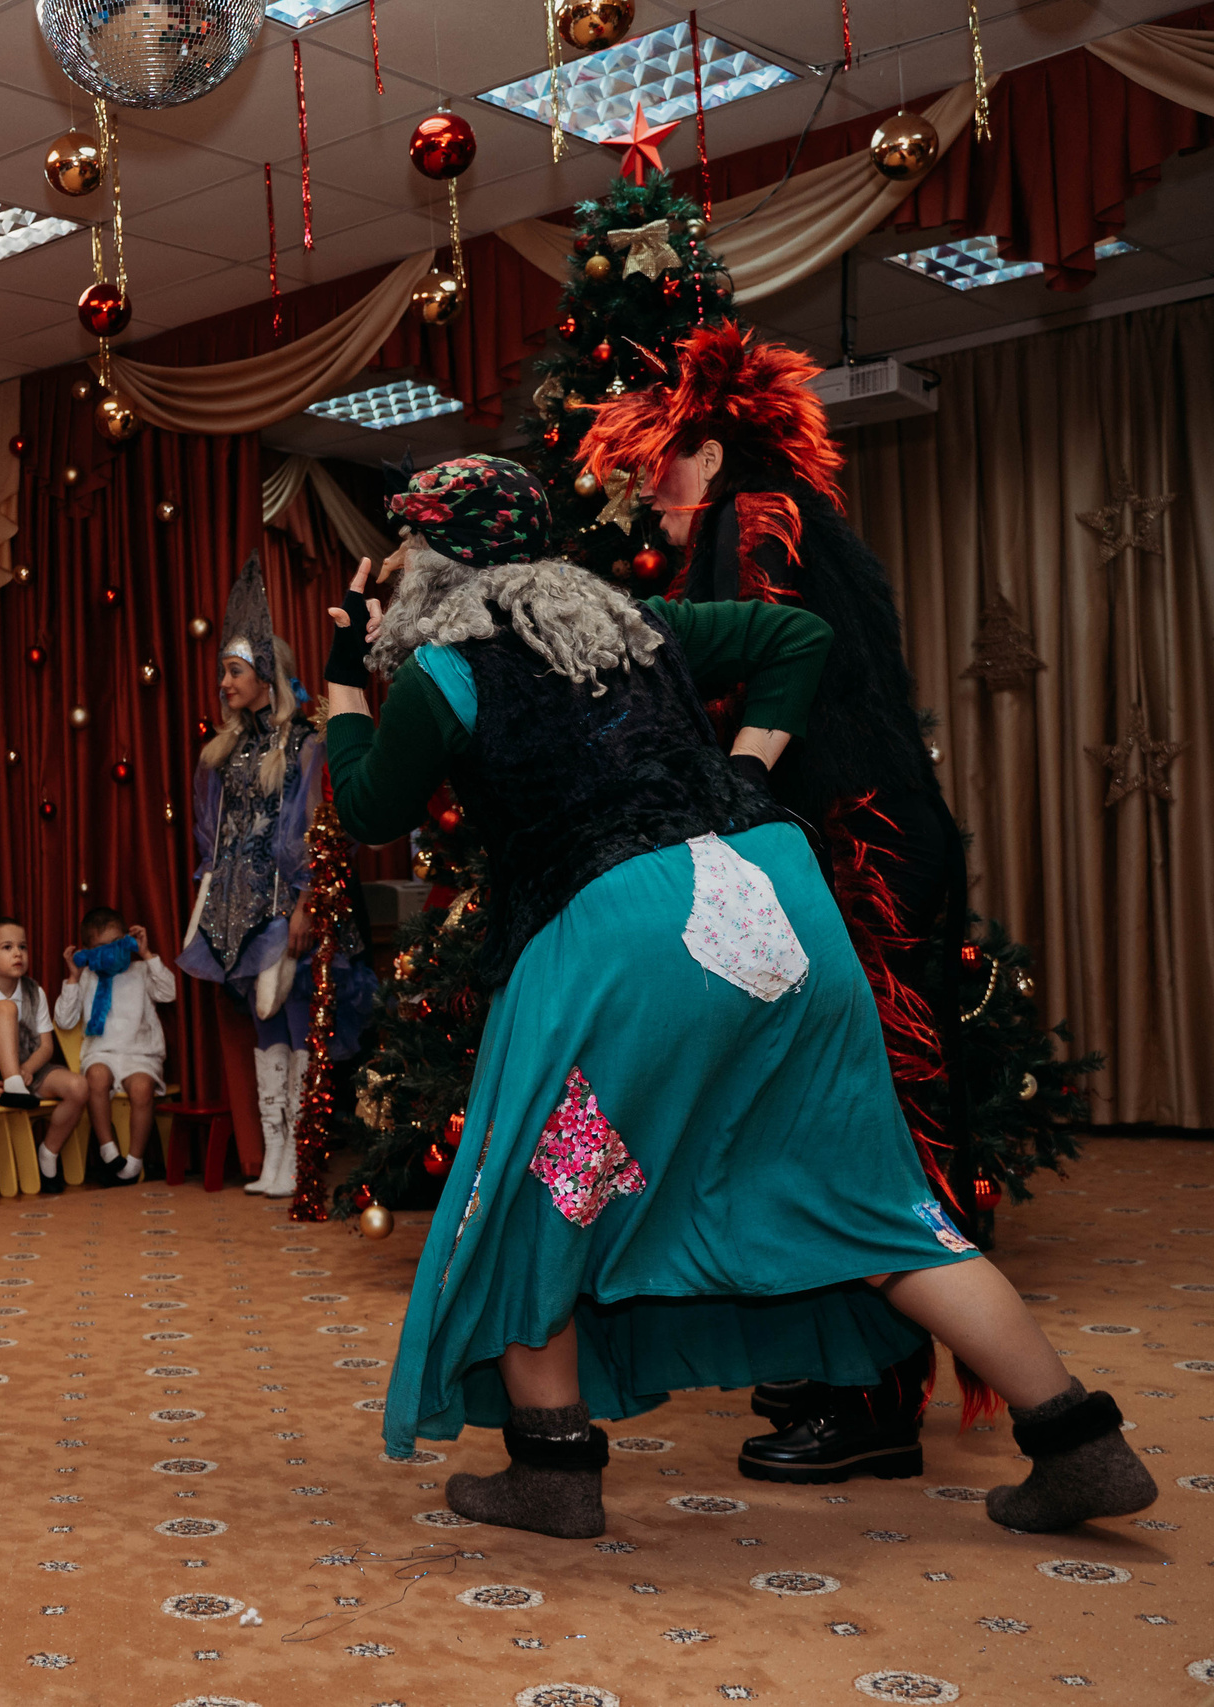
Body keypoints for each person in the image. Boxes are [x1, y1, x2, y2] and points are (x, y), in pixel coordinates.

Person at [319, 453, 1154, 1540]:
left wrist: (342, 673)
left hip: (620, 942)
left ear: (431, 562)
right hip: (770, 908)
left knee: (547, 1191)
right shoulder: (635, 623)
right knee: (864, 1194)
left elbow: (374, 804)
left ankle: (553, 1469)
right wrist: (747, 768)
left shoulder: (446, 670)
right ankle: (1076, 1442)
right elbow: (798, 636)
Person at [586, 323, 972, 1482]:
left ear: (697, 444)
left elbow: (784, 668)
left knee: (862, 1124)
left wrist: (733, 786)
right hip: (854, 858)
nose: (640, 507)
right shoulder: (776, 519)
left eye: (643, 473)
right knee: (825, 1122)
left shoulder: (758, 524)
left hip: (855, 867)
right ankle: (842, 1381)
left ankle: (874, 1399)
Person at [176, 555, 326, 1198]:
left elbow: (312, 829)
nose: (223, 684)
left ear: (266, 674)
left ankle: (299, 1154)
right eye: (221, 673)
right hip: (235, 907)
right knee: (262, 1022)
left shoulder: (303, 743)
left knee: (291, 1016)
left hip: (280, 906)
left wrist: (306, 903)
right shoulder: (226, 748)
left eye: (233, 672)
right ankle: (271, 1155)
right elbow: (214, 835)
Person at [0, 916, 86, 1178]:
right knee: (5, 1008)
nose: (18, 954)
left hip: (24, 1072)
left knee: (79, 1087)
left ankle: (49, 1152)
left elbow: (45, 1046)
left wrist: (27, 1069)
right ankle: (12, 1085)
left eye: (22, 947)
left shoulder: (34, 991)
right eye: (7, 947)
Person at [48, 906, 174, 1189]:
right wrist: (73, 977)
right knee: (96, 1077)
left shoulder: (141, 970)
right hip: (101, 1053)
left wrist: (146, 954)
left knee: (142, 1089)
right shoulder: (87, 977)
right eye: (101, 948)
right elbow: (64, 1021)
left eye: (117, 943)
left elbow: (169, 992)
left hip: (140, 1053)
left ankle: (133, 1163)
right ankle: (108, 1149)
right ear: (88, 951)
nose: (111, 952)